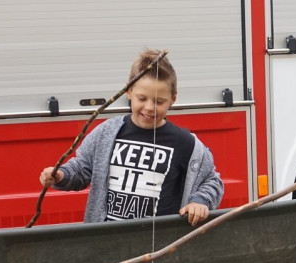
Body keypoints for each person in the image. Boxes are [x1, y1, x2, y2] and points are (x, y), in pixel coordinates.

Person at [39, 49, 223, 226]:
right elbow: (81, 169)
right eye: (142, 99)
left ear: (172, 100)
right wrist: (60, 176)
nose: (149, 107)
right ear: (129, 92)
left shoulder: (187, 144)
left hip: (161, 246)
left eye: (159, 101)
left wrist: (200, 201)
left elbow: (212, 181)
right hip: (106, 242)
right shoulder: (106, 133)